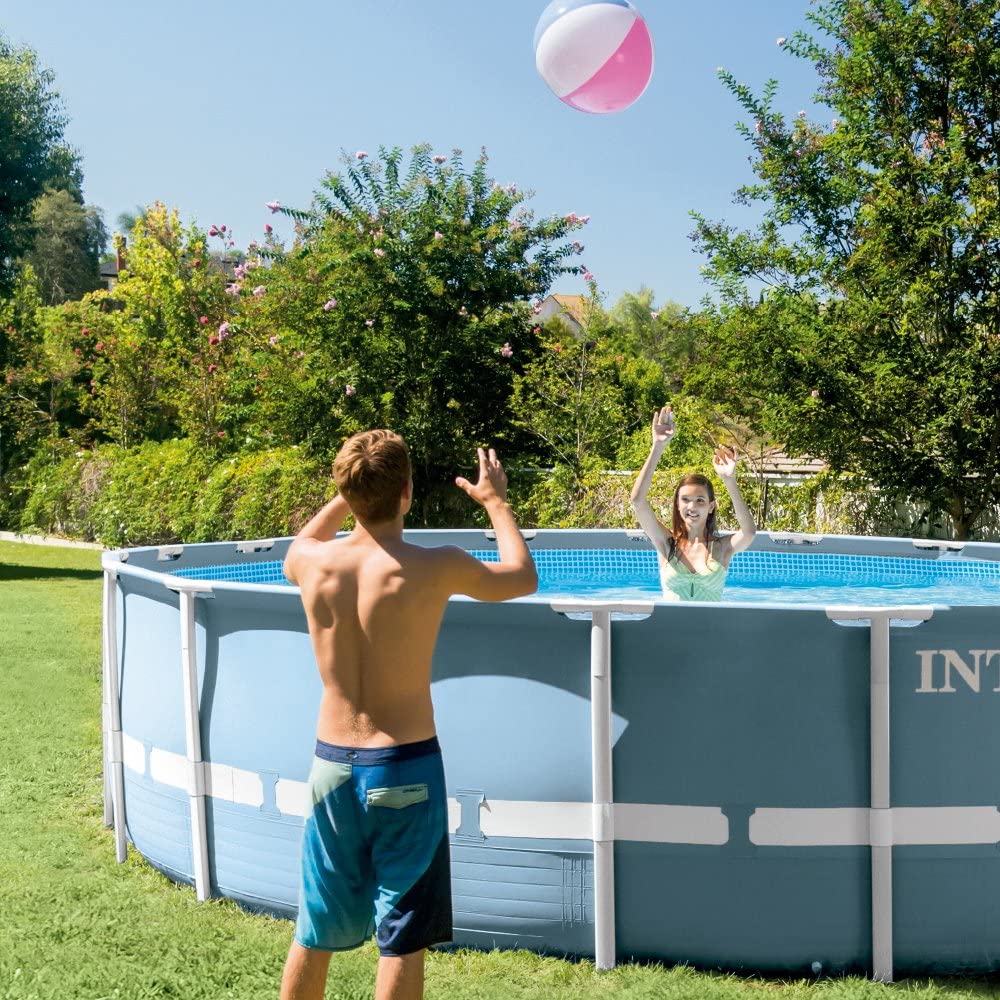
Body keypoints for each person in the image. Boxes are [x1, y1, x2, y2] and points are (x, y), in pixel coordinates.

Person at [279, 430, 538, 1000]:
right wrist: (495, 501)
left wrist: (354, 491)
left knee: (314, 930)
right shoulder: (433, 566)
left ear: (345, 489)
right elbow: (522, 575)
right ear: (408, 492)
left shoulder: (310, 563)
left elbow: (305, 537)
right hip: (404, 769)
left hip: (330, 770)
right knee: (402, 938)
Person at [630, 405, 756, 601]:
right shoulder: (666, 544)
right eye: (685, 500)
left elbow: (748, 532)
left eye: (700, 500)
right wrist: (657, 447)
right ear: (678, 505)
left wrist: (729, 480)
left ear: (711, 506)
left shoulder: (722, 548)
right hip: (670, 630)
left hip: (711, 631)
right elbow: (638, 501)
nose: (692, 507)